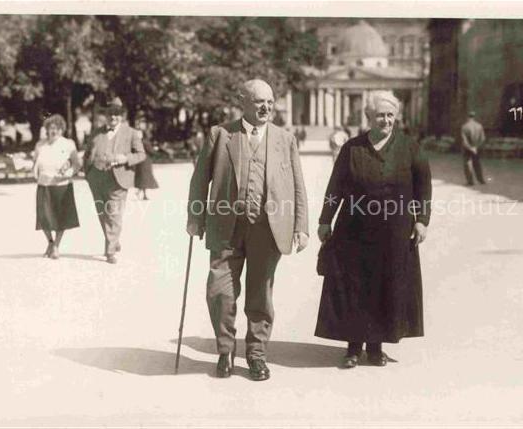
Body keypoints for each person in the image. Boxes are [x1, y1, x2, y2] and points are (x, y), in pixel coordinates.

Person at [186, 79, 309, 381]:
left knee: (260, 296)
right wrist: (195, 216)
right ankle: (225, 350)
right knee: (219, 292)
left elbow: (297, 185)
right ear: (242, 102)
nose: (266, 107)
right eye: (259, 102)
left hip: (267, 229)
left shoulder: (285, 139)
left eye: (270, 101)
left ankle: (256, 355)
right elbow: (200, 179)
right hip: (226, 226)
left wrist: (301, 226)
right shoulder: (220, 135)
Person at [315, 91, 432, 368]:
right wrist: (324, 220)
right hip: (354, 230)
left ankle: (377, 347)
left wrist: (422, 220)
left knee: (385, 285)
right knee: (355, 286)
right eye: (380, 115)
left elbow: (423, 187)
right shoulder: (351, 148)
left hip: (394, 232)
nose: (386, 120)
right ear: (368, 117)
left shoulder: (410, 147)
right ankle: (353, 348)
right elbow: (335, 187)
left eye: (391, 115)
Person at [83, 98, 146, 264]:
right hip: (97, 177)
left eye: (117, 114)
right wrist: (88, 173)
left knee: (114, 214)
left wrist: (125, 158)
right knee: (102, 213)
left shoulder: (131, 133)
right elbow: (87, 153)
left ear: (122, 116)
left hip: (118, 179)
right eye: (110, 113)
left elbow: (141, 154)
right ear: (106, 115)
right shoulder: (96, 132)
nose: (113, 117)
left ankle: (110, 250)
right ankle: (113, 239)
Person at [33, 114, 82, 259]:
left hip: (62, 185)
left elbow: (77, 164)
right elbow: (35, 163)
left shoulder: (68, 144)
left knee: (61, 218)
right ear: (46, 130)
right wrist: (34, 173)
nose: (54, 131)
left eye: (57, 128)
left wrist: (69, 173)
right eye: (50, 128)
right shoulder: (40, 145)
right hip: (43, 184)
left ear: (62, 130)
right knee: (44, 218)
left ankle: (56, 246)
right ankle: (50, 241)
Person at [134, 114, 159, 200]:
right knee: (144, 178)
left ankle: (141, 192)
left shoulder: (137, 141)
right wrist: (155, 153)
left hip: (139, 161)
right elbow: (150, 150)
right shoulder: (144, 141)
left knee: (142, 178)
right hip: (145, 161)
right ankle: (142, 193)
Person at [460, 111, 486, 186]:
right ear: (474, 117)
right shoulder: (479, 126)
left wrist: (470, 148)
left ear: (467, 117)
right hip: (476, 148)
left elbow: (464, 140)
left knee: (468, 164)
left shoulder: (465, 126)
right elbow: (483, 138)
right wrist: (476, 147)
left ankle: (470, 181)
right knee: (477, 163)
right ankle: (481, 180)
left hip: (467, 149)